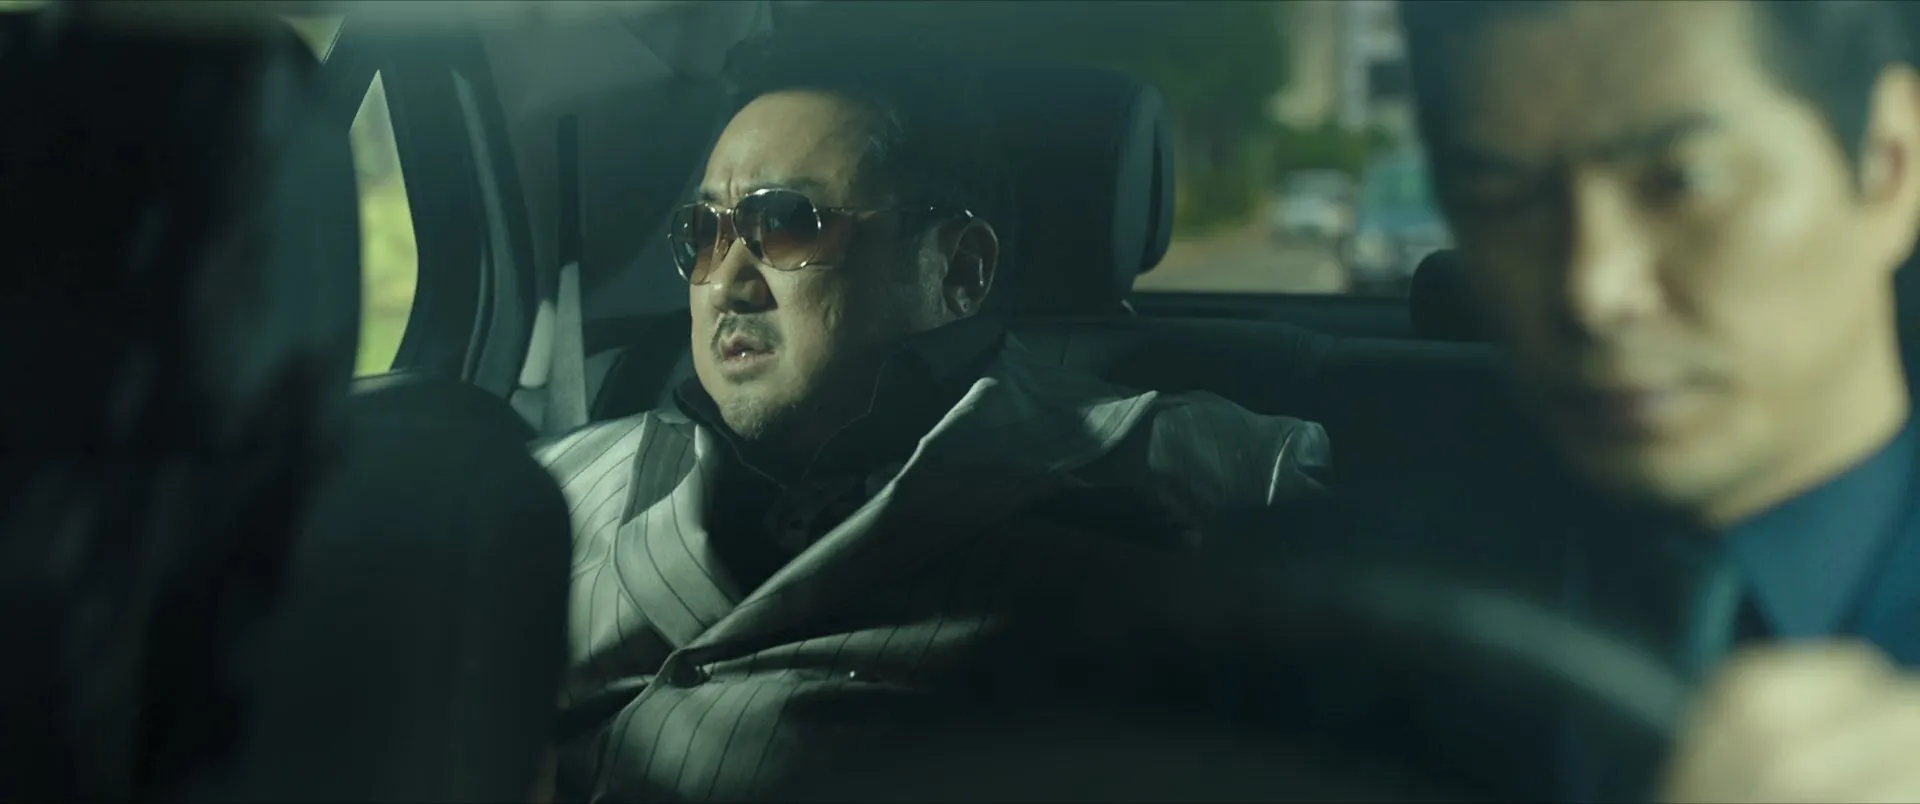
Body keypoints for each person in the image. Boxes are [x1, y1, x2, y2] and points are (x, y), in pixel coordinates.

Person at [531, 37, 1331, 801]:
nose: (728, 283)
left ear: (960, 269)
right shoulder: (552, 490)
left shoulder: (1187, 474)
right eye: (704, 234)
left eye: (787, 222)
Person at [1399, 0, 1920, 800]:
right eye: (1503, 197)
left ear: (1888, 165)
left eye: (1685, 181)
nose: (1591, 289)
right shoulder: (1344, 612)